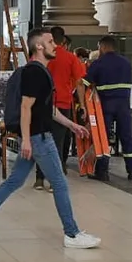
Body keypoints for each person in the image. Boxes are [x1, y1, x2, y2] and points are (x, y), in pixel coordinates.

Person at [0, 28, 101, 249]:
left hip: (36, 135)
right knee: (59, 183)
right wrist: (27, 140)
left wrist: (72, 125)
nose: (55, 45)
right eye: (50, 42)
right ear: (38, 46)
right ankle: (72, 233)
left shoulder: (42, 72)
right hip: (39, 138)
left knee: (15, 180)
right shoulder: (35, 73)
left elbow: (47, 110)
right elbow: (26, 107)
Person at [86, 36, 132, 181]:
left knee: (103, 138)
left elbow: (85, 82)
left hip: (105, 105)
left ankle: (102, 171)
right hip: (123, 105)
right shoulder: (126, 63)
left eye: (99, 47)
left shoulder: (98, 63)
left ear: (103, 47)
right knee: (126, 137)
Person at [37, 31, 86, 191]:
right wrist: (83, 105)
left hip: (42, 104)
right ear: (63, 40)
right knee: (57, 142)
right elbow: (79, 82)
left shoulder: (42, 54)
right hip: (63, 104)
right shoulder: (70, 58)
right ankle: (53, 182)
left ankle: (39, 179)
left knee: (41, 140)